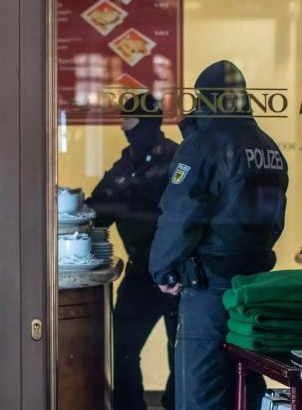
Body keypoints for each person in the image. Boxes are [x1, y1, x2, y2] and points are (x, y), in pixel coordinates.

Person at [149, 60, 289, 410]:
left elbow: (180, 215)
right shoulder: (269, 147)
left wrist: (163, 269)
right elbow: (275, 219)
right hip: (252, 289)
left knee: (202, 392)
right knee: (246, 386)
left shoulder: (202, 146)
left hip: (208, 288)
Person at [85, 93, 180, 410]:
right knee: (121, 347)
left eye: (130, 120)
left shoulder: (176, 160)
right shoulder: (126, 163)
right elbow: (98, 211)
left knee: (179, 350)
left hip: (178, 272)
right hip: (141, 270)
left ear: (147, 123)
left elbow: (182, 214)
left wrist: (123, 201)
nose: (124, 126)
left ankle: (173, 405)